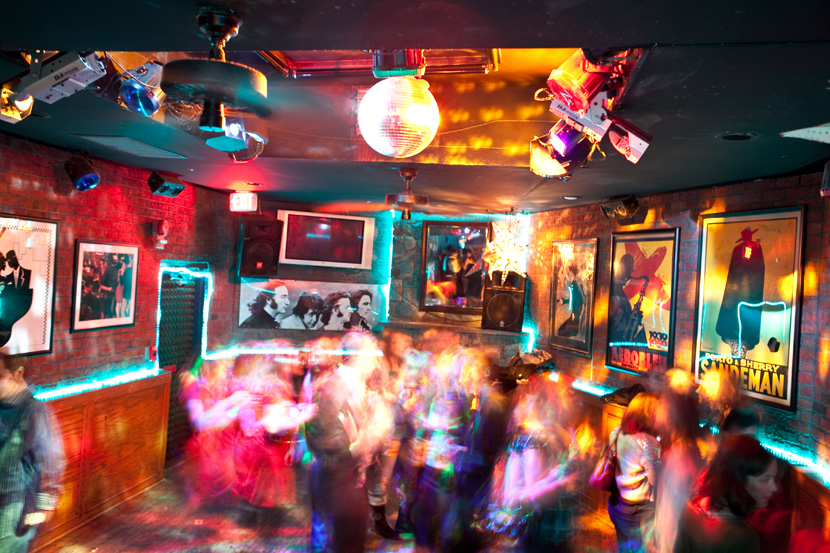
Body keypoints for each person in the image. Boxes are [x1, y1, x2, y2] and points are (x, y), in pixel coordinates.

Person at [0, 354, 65, 553]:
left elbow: (53, 460)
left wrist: (46, 506)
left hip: (12, 511)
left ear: (17, 374)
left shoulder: (34, 411)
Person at [674, 434, 777, 553]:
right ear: (739, 481)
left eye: (774, 478)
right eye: (765, 480)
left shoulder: (691, 507)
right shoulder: (743, 538)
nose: (774, 488)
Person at [606, 391, 661, 553]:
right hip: (638, 511)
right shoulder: (649, 443)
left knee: (624, 547)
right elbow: (654, 480)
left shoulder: (617, 431)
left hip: (617, 503)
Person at [651, 389, 703, 553]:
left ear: (670, 417)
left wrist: (665, 541)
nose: (655, 411)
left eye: (661, 407)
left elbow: (674, 505)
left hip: (674, 538)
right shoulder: (681, 448)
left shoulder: (681, 454)